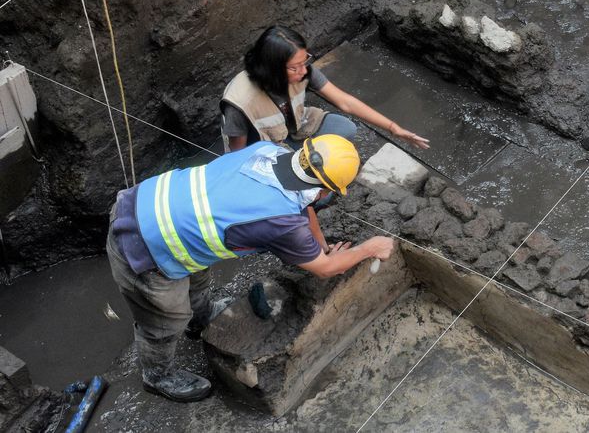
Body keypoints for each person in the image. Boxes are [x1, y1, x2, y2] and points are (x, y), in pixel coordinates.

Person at [107, 134, 398, 402]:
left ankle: (201, 319)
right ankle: (158, 376)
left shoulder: (270, 152)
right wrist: (369, 249)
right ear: (324, 191)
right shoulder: (280, 222)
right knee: (165, 319)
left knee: (197, 275)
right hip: (141, 246)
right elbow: (323, 269)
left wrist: (320, 243)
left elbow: (302, 203)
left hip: (151, 201)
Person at [221, 25, 429, 152]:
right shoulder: (240, 104)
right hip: (265, 148)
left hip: (296, 128)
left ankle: (301, 161)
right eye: (295, 67)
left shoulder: (303, 72)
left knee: (345, 129)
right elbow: (238, 155)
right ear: (272, 68)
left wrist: (394, 129)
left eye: (305, 61)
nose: (304, 70)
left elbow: (345, 102)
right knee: (313, 193)